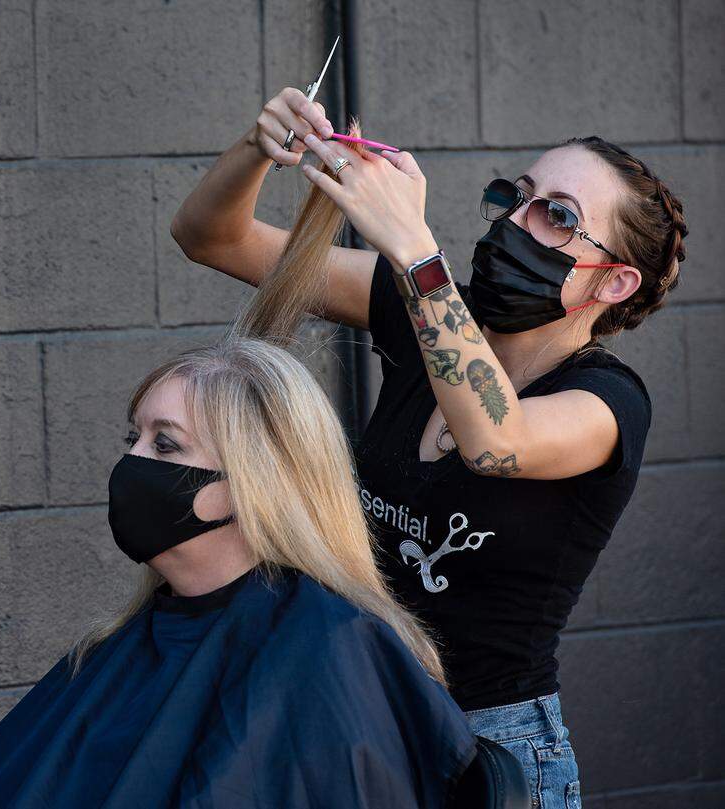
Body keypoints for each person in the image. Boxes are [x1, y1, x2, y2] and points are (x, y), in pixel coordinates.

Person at [170, 87, 688, 809]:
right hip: (360, 720)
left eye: (558, 217)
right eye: (519, 195)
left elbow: (496, 440)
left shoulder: (609, 401)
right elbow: (212, 238)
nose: (517, 220)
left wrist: (414, 248)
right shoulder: (428, 311)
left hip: (491, 754)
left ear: (615, 280)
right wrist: (259, 150)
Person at [0, 265, 481, 806]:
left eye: (165, 445)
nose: (130, 463)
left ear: (251, 485)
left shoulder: (327, 650)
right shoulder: (132, 639)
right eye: (133, 438)